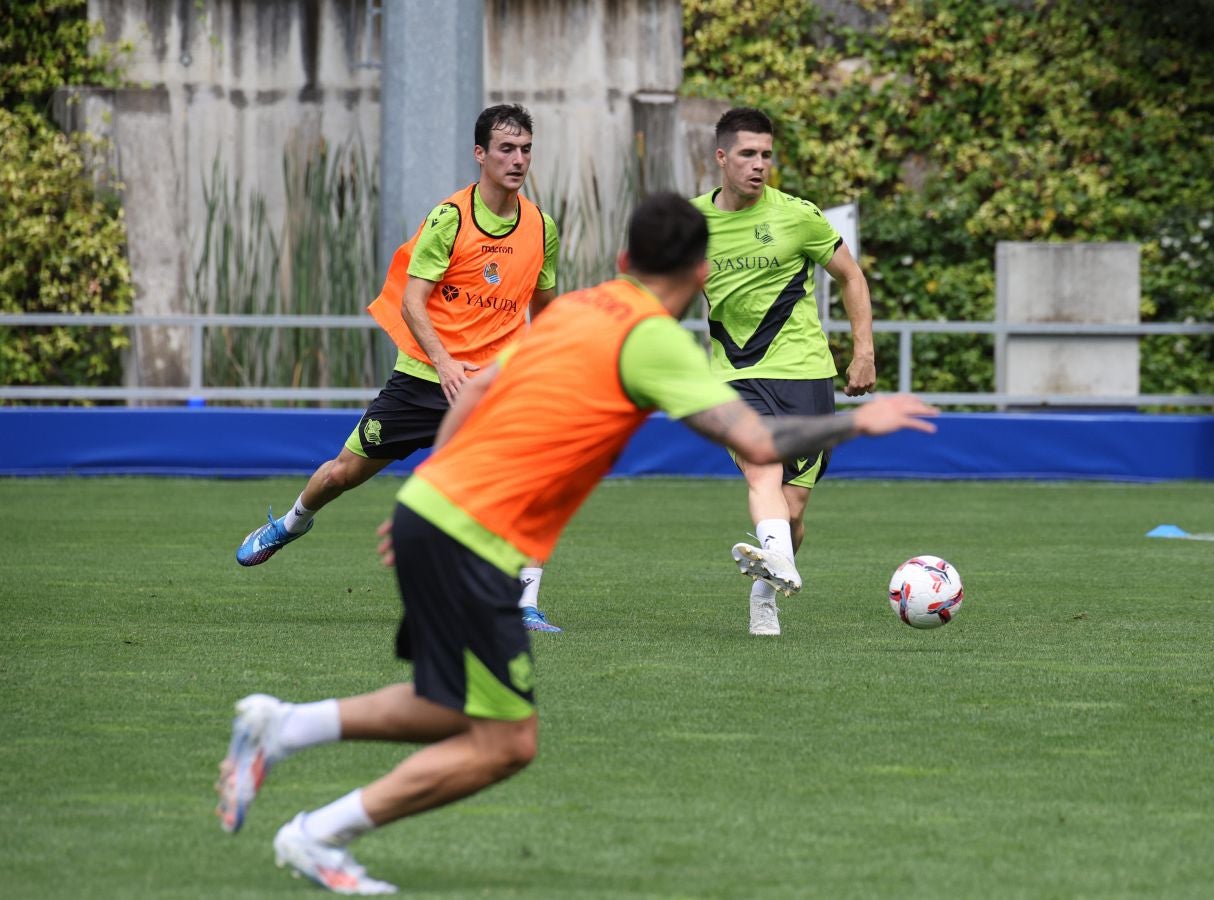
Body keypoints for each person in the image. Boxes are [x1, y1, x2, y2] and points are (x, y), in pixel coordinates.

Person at [214, 192, 936, 895]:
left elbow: (473, 389)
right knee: (506, 743)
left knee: (447, 704)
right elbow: (760, 440)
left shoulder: (587, 302)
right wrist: (857, 424)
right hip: (468, 535)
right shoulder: (650, 338)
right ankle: (317, 833)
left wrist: (429, 496)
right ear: (701, 275)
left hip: (443, 516)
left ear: (624, 256)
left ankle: (281, 727)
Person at [234, 103, 565, 633]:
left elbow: (545, 304)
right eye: (506, 148)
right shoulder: (449, 218)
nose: (519, 159)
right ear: (480, 154)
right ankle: (291, 523)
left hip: (496, 384)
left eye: (526, 149)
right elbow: (414, 303)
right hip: (424, 381)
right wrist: (446, 364)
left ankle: (523, 603)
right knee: (343, 473)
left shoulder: (542, 227)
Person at [690, 106, 878, 637]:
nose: (759, 164)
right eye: (748, 154)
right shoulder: (689, 223)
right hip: (734, 376)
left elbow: (851, 277)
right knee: (760, 462)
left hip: (806, 374)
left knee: (792, 513)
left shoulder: (798, 215)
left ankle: (767, 584)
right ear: (722, 158)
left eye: (766, 155)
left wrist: (862, 350)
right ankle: (776, 557)